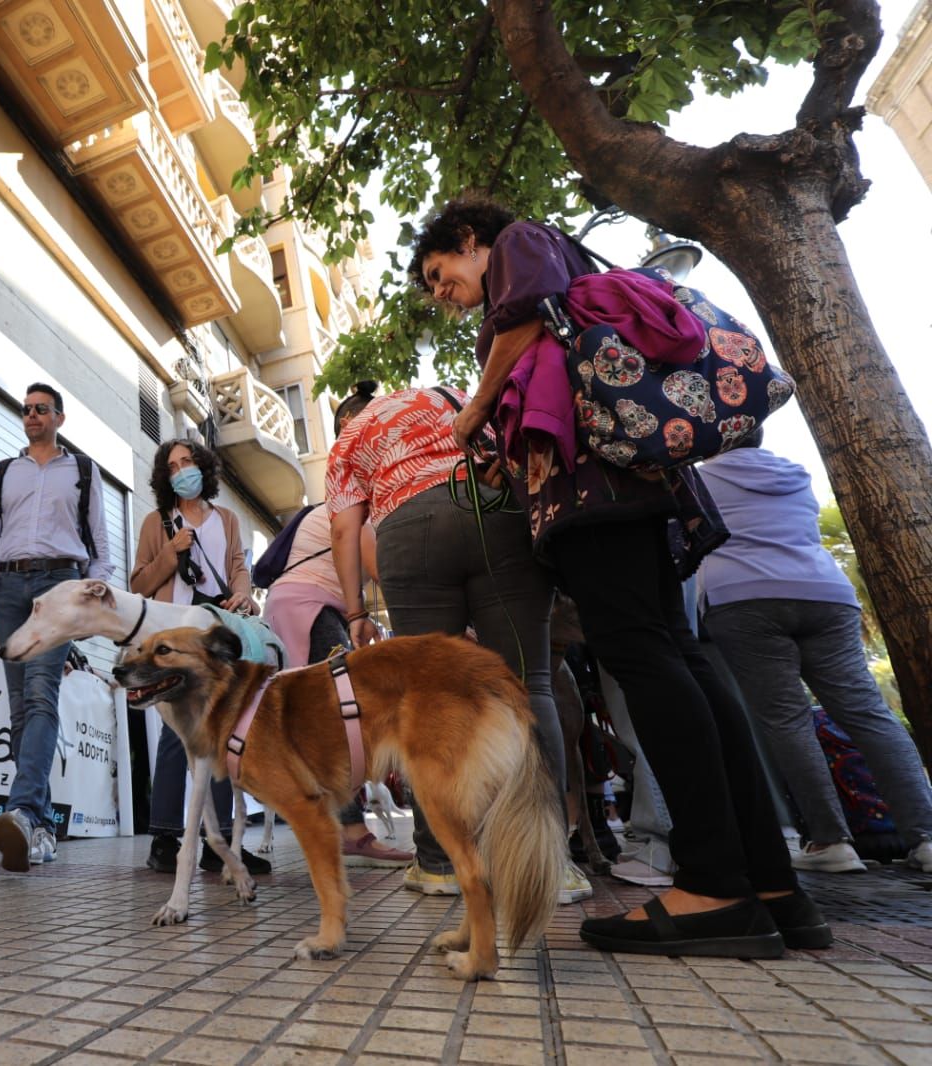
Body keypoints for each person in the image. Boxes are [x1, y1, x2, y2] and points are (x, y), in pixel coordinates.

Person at [411, 197, 826, 956]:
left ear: (469, 240)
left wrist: (473, 415)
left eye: (440, 274)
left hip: (593, 492)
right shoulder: (552, 257)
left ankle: (712, 885)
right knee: (682, 658)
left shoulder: (520, 244)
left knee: (647, 657)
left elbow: (529, 315)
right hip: (633, 485)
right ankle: (770, 885)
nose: (442, 293)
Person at [325, 382, 586, 900]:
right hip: (495, 513)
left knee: (430, 702)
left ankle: (440, 862)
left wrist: (355, 611)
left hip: (410, 531)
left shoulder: (351, 436)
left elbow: (344, 531)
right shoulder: (449, 393)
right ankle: (550, 866)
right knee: (529, 684)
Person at [699, 431, 932, 874]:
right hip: (826, 593)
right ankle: (926, 838)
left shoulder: (697, 479)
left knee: (787, 719)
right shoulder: (796, 474)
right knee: (868, 713)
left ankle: (831, 843)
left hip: (744, 597)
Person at [0, 384, 112, 872]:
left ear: (60, 418)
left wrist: (90, 594)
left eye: (41, 409)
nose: (31, 416)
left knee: (43, 694)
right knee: (21, 710)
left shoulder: (82, 471)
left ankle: (20, 810)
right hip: (7, 587)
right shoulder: (6, 471)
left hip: (59, 584)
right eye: (26, 409)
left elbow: (101, 548)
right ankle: (41, 828)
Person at [129, 439, 271, 877]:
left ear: (202, 467)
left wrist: (244, 593)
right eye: (172, 467)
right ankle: (166, 837)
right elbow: (137, 584)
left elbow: (238, 568)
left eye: (187, 462)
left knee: (222, 732)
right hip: (173, 637)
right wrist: (172, 552)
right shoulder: (158, 522)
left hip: (214, 638)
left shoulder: (226, 519)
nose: (181, 471)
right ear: (165, 477)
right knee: (178, 735)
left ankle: (221, 841)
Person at [260, 500, 411, 866]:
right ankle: (351, 830)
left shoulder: (344, 509)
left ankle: (337, 823)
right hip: (309, 608)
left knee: (326, 722)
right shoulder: (356, 511)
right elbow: (383, 573)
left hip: (300, 607)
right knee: (345, 718)